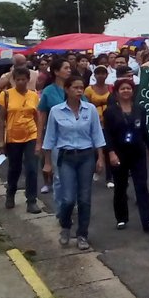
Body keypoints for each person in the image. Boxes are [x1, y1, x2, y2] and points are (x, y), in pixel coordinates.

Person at [42, 76, 106, 251]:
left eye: (81, 88)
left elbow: (97, 135)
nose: (79, 91)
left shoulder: (90, 109)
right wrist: (47, 162)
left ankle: (82, 234)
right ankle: (65, 226)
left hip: (86, 156)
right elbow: (50, 139)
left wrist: (100, 158)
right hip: (66, 157)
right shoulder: (56, 111)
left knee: (84, 198)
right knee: (68, 198)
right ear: (67, 89)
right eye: (75, 87)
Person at [103, 78, 149, 232]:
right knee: (120, 186)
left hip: (137, 152)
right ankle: (121, 218)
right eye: (122, 89)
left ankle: (148, 221)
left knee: (141, 185)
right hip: (119, 153)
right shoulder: (110, 111)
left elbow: (144, 130)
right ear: (117, 92)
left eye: (128, 88)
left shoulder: (140, 109)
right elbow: (107, 134)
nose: (126, 91)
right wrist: (111, 153)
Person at [0, 67, 42, 214]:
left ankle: (32, 200)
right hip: (13, 136)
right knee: (14, 168)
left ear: (28, 80)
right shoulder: (6, 95)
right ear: (14, 80)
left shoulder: (34, 96)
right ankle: (10, 193)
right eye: (18, 80)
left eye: (24, 79)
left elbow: (38, 118)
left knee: (32, 168)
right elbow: (1, 119)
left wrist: (39, 140)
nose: (21, 82)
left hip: (31, 135)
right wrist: (0, 140)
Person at [37, 58, 74, 200]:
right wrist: (39, 141)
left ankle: (71, 201)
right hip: (56, 137)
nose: (69, 70)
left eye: (70, 68)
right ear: (56, 72)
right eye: (65, 68)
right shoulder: (48, 91)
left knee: (72, 175)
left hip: (75, 136)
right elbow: (42, 117)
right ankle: (62, 206)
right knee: (59, 175)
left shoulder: (74, 88)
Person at [85, 65, 114, 188]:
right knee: (96, 150)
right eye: (98, 73)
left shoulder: (111, 88)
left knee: (108, 148)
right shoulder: (89, 90)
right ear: (94, 75)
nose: (101, 75)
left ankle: (109, 177)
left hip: (109, 121)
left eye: (103, 73)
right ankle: (95, 170)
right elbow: (85, 106)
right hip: (94, 121)